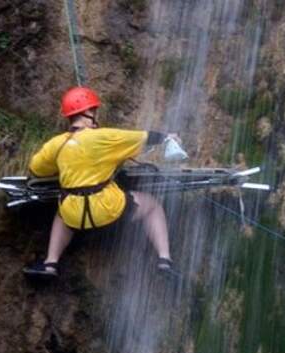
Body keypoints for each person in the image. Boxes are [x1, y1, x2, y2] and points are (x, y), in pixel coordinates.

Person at [23, 86, 177, 277]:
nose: (95, 113)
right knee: (153, 205)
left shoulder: (56, 143)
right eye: (94, 110)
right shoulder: (104, 137)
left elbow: (36, 169)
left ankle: (50, 263)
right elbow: (144, 137)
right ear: (87, 112)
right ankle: (164, 260)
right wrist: (167, 138)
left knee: (62, 212)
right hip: (107, 209)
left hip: (75, 214)